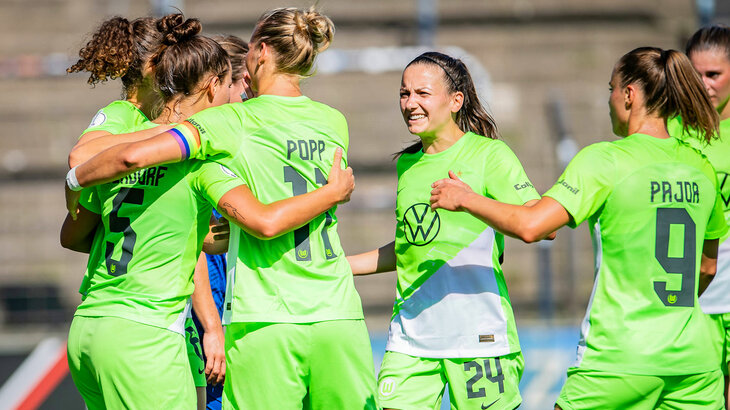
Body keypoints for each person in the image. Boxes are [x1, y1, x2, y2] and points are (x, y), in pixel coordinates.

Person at [62, 7, 376, 409]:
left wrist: (78, 182)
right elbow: (261, 219)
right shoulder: (332, 121)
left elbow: (76, 227)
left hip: (103, 322)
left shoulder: (217, 126)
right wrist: (332, 193)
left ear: (261, 52)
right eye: (232, 82)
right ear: (213, 87)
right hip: (331, 313)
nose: (240, 86)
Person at [429, 47, 727, 409]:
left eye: (611, 89)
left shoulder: (606, 160)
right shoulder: (701, 166)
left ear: (629, 95)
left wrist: (466, 198)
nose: (609, 100)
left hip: (621, 357)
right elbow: (707, 267)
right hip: (695, 362)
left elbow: (531, 226)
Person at [347, 51, 539, 410]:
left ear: (455, 101)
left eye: (423, 93)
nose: (410, 103)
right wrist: (341, 266)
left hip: (479, 337)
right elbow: (413, 246)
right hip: (411, 338)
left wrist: (469, 201)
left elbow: (540, 224)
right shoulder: (407, 163)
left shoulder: (490, 155)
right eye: (404, 93)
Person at [66, 14, 222, 409]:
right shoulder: (125, 119)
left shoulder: (160, 135)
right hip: (141, 329)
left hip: (102, 322)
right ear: (156, 67)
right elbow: (79, 160)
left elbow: (76, 231)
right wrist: (180, 132)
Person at [667, 24, 730, 407]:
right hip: (694, 299)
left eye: (714, 74)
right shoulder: (670, 133)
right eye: (696, 74)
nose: (704, 84)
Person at [192, 33, 250, 410]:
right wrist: (213, 326)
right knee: (222, 394)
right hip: (211, 300)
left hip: (240, 296)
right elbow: (197, 249)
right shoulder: (198, 144)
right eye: (242, 84)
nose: (248, 93)